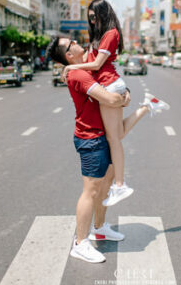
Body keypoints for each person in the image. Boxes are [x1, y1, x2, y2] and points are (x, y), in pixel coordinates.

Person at [48, 36, 167, 263]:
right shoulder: (77, 74)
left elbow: (111, 83)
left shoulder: (85, 67)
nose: (76, 41)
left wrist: (124, 93)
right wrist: (122, 98)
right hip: (91, 138)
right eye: (71, 42)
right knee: (90, 191)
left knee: (105, 185)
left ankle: (99, 227)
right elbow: (109, 98)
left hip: (101, 134)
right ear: (68, 55)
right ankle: (80, 243)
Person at [61, 0, 169, 207]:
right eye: (90, 18)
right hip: (111, 84)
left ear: (104, 13)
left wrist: (71, 68)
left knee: (114, 139)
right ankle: (148, 105)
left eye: (95, 16)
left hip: (110, 85)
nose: (92, 21)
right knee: (117, 134)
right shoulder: (100, 36)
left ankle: (120, 185)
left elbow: (98, 64)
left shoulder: (111, 34)